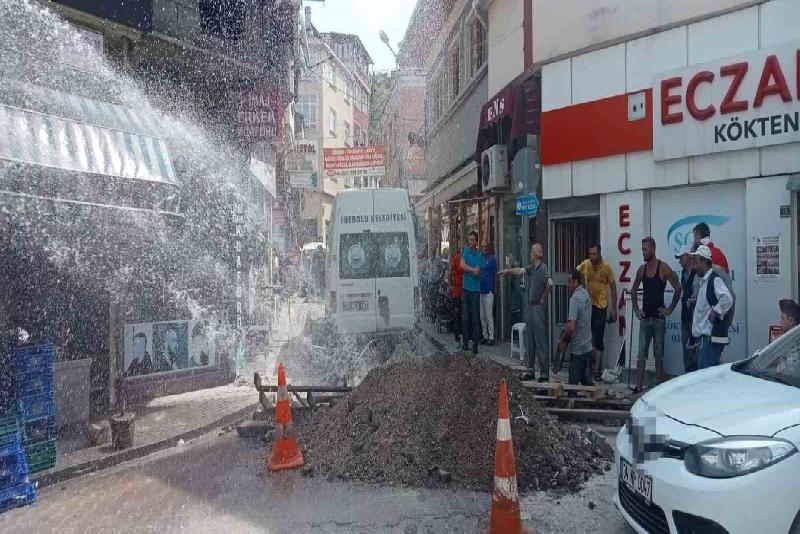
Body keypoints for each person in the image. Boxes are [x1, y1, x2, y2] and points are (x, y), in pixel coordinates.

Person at [631, 237, 682, 392]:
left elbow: (678, 287)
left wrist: (670, 309)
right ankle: (638, 387)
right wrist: (636, 309)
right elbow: (633, 290)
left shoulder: (663, 268)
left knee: (658, 355)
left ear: (652, 249)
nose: (643, 252)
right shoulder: (642, 269)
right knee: (641, 355)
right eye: (642, 249)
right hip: (645, 319)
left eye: (645, 249)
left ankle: (659, 389)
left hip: (659, 320)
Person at [498, 243, 553, 381]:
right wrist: (507, 271)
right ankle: (530, 370)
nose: (530, 254)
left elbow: (550, 283)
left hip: (538, 307)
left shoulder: (542, 268)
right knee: (530, 339)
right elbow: (520, 271)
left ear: (535, 254)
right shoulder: (532, 268)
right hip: (531, 306)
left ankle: (544, 373)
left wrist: (543, 298)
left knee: (540, 340)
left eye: (531, 252)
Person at [577, 244, 618, 380]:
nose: (592, 257)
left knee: (598, 339)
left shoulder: (606, 267)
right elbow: (575, 273)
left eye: (594, 254)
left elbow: (613, 287)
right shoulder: (586, 264)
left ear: (599, 253)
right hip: (588, 306)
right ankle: (588, 368)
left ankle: (596, 370)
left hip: (601, 306)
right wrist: (581, 290)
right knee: (588, 338)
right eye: (590, 254)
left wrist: (614, 308)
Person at [691, 245, 733, 369]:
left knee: (705, 374)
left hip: (710, 339)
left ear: (704, 262)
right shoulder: (705, 281)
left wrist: (716, 311)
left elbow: (728, 298)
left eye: (696, 263)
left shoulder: (714, 280)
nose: (694, 267)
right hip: (705, 340)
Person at [559, 269, 593, 389]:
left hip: (578, 350)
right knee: (586, 381)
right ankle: (597, 397)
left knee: (572, 387)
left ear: (576, 282)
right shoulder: (586, 295)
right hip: (588, 347)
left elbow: (572, 327)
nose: (568, 285)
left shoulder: (574, 299)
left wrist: (563, 340)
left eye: (569, 281)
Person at [676, 244, 701, 372]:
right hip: (685, 319)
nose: (679, 261)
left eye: (681, 257)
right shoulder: (683, 273)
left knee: (696, 356)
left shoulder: (698, 273)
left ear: (688, 256)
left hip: (696, 321)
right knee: (687, 356)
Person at [460, 231, 483, 354]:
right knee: (465, 318)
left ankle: (475, 345)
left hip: (475, 291)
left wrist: (468, 269)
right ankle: (465, 343)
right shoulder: (466, 251)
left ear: (476, 241)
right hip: (466, 288)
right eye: (469, 239)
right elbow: (461, 265)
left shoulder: (479, 255)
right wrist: (471, 269)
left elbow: (477, 272)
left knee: (475, 318)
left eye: (472, 240)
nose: (470, 242)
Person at [479, 240, 498, 346]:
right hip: (480, 290)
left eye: (486, 246)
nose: (484, 248)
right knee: (482, 315)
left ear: (488, 247)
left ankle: (491, 337)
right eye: (483, 247)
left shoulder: (492, 259)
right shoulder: (479, 258)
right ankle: (485, 336)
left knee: (488, 315)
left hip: (489, 290)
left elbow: (495, 274)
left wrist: (495, 287)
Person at [449, 240, 463, 345]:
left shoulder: (467, 259)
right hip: (457, 292)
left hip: (465, 291)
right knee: (457, 313)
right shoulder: (456, 259)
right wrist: (451, 285)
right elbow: (450, 273)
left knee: (463, 314)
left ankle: (464, 334)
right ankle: (457, 335)